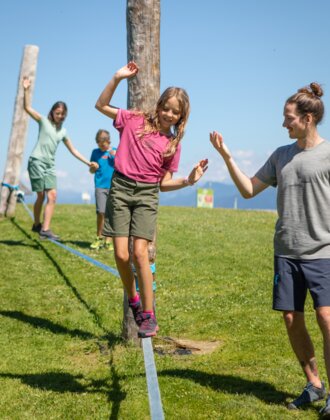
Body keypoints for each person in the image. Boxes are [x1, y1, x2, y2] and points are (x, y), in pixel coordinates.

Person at [210, 82, 330, 416]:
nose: (284, 124)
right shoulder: (281, 155)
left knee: (327, 318)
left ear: (307, 118)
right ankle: (315, 385)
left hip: (324, 252)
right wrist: (227, 157)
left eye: (288, 117)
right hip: (286, 252)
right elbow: (249, 189)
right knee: (292, 319)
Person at [95, 61, 208, 338]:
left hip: (146, 194)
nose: (169, 114)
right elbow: (100, 104)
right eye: (166, 108)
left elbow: (163, 183)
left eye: (175, 112)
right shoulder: (133, 120)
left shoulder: (172, 145)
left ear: (181, 117)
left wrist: (189, 180)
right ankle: (133, 299)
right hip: (120, 188)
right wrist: (117, 77)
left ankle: (148, 313)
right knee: (121, 254)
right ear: (158, 106)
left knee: (139, 253)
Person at [23, 77, 96, 240]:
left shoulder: (63, 132)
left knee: (53, 196)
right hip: (36, 161)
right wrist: (26, 90)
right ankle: (36, 223)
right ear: (52, 112)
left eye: (63, 114)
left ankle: (45, 229)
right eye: (58, 113)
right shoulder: (43, 121)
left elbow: (73, 150)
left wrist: (87, 162)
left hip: (50, 165)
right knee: (41, 195)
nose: (60, 116)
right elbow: (27, 107)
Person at [89, 129, 116, 250]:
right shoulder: (95, 152)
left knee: (111, 214)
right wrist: (93, 167)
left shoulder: (114, 151)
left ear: (108, 140)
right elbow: (91, 170)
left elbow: (120, 165)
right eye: (99, 142)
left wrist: (113, 154)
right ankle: (98, 237)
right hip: (100, 186)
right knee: (101, 212)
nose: (101, 144)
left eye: (103, 142)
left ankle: (108, 241)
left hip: (114, 186)